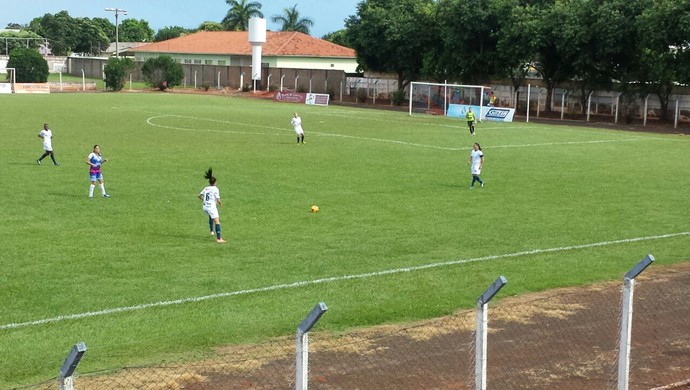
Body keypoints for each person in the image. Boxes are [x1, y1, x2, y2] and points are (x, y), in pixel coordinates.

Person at [198, 168, 227, 244]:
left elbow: (199, 196)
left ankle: (211, 231)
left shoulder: (206, 188)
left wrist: (204, 200)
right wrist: (220, 204)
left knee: (211, 216)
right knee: (217, 222)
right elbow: (218, 199)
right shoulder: (215, 189)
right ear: (215, 182)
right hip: (211, 207)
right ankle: (219, 238)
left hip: (205, 207)